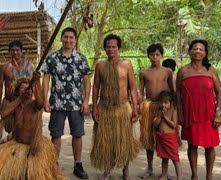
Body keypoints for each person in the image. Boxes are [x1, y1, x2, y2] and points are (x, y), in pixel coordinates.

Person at [42, 27, 91, 179]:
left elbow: (87, 81)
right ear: (61, 39)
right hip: (57, 103)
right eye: (66, 37)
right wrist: (45, 99)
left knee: (77, 134)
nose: (68, 40)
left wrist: (85, 101)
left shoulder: (81, 58)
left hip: (76, 104)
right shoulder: (52, 58)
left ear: (75, 40)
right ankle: (54, 165)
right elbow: (45, 78)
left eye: (71, 38)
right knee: (56, 135)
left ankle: (78, 165)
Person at [90, 34, 140, 180]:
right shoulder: (100, 65)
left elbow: (132, 87)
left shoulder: (126, 64)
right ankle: (108, 170)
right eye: (108, 47)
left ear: (119, 48)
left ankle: (126, 169)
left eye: (114, 47)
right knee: (106, 142)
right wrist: (94, 108)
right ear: (105, 48)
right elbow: (96, 87)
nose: (111, 49)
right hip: (105, 108)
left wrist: (135, 108)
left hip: (122, 108)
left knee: (124, 141)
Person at [0, 72, 66, 179]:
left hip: (33, 148)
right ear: (17, 92)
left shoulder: (34, 106)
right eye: (22, 88)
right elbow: (3, 114)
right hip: (17, 145)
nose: (27, 90)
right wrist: (20, 99)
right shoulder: (16, 106)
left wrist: (36, 82)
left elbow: (40, 104)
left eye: (29, 88)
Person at [176, 39, 221, 180]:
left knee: (210, 146)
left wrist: (218, 113)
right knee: (192, 145)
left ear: (205, 53)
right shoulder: (183, 70)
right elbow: (177, 93)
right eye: (195, 48)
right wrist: (180, 113)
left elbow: (220, 92)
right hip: (190, 113)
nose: (198, 51)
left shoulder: (211, 70)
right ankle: (194, 176)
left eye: (201, 49)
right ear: (189, 51)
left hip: (209, 114)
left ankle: (209, 176)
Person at [139, 43, 174, 179]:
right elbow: (140, 91)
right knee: (149, 140)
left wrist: (172, 108)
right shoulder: (144, 72)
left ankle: (165, 171)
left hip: (165, 108)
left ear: (162, 56)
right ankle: (149, 168)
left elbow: (172, 90)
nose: (154, 57)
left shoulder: (167, 71)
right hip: (149, 108)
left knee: (165, 138)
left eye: (157, 54)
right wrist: (140, 108)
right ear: (148, 56)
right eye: (152, 54)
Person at [0, 40, 33, 137]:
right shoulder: (4, 67)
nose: (15, 52)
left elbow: (32, 84)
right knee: (8, 131)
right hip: (8, 102)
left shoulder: (28, 66)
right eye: (12, 50)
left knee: (22, 131)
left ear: (21, 51)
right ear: (9, 52)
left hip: (24, 103)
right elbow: (0, 86)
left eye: (17, 50)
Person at [153, 90, 181, 180]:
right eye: (161, 102)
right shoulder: (159, 112)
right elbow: (155, 125)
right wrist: (160, 117)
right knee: (164, 158)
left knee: (175, 159)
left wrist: (165, 118)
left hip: (170, 138)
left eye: (166, 102)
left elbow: (174, 125)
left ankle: (179, 177)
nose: (163, 105)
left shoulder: (173, 111)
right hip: (161, 138)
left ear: (171, 103)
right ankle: (164, 175)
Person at [162, 59, 183, 147]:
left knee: (168, 121)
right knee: (173, 122)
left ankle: (172, 140)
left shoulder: (169, 76)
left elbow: (173, 90)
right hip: (173, 101)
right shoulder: (175, 76)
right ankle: (175, 139)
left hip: (169, 101)